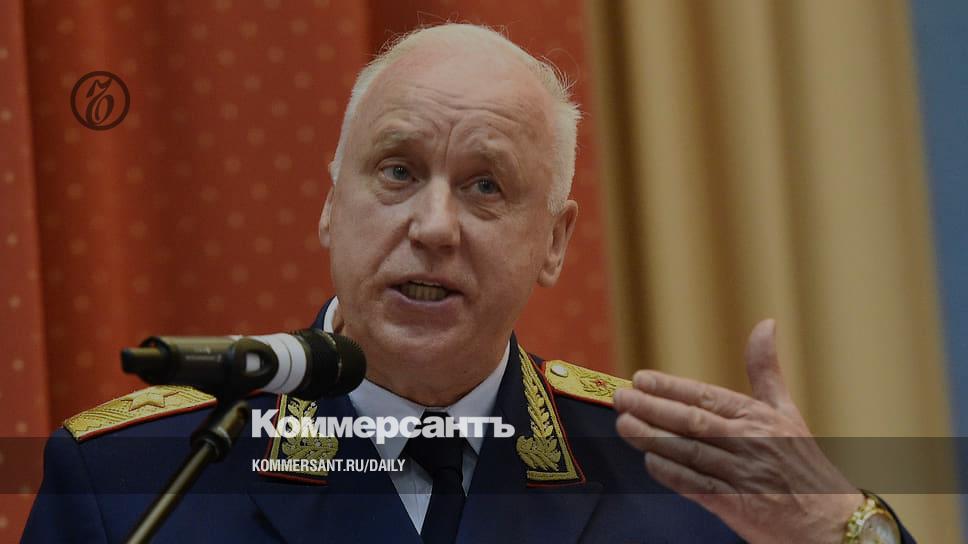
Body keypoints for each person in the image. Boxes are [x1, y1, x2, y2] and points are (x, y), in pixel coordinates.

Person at [23, 23, 911, 543]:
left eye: (486, 186)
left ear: (554, 243)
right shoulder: (134, 479)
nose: (435, 226)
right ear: (331, 205)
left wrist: (835, 525)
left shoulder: (680, 486)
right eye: (398, 172)